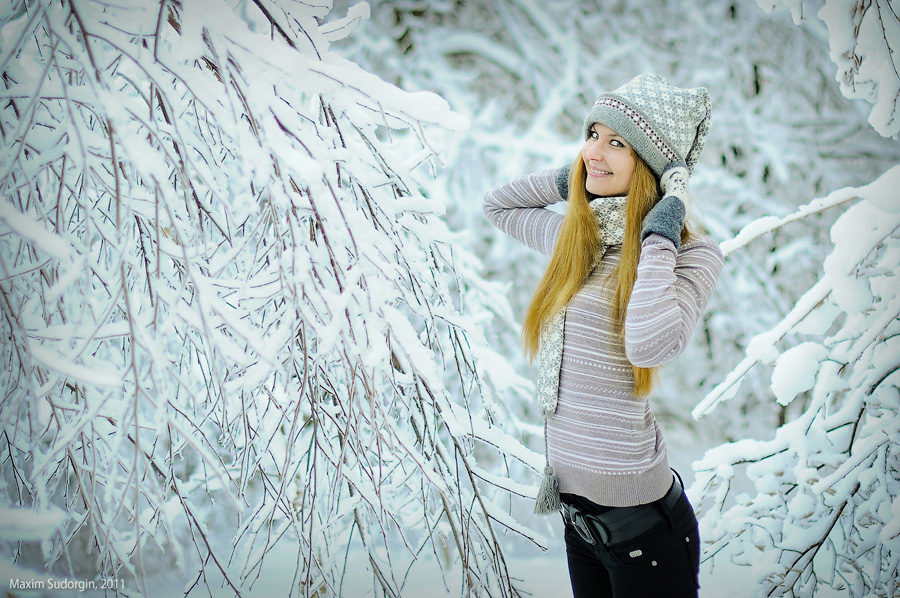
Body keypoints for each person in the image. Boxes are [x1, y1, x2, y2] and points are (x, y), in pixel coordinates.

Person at [483, 74, 724, 598]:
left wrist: (658, 234)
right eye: (593, 134)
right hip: (579, 520)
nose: (594, 151)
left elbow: (649, 343)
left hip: (643, 525)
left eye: (617, 143)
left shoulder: (689, 256)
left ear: (653, 169)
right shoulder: (577, 240)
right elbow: (497, 205)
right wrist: (572, 180)